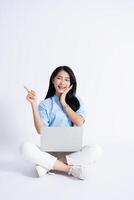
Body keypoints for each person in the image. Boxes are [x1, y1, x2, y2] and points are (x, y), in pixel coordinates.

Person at [20, 66, 102, 180]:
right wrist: (33, 104)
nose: (62, 82)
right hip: (49, 152)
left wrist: (63, 102)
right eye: (59, 78)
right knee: (25, 147)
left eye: (67, 79)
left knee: (96, 150)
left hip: (71, 154)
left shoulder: (78, 102)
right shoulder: (45, 104)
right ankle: (70, 169)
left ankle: (48, 165)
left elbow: (79, 122)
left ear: (71, 83)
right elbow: (40, 130)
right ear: (53, 80)